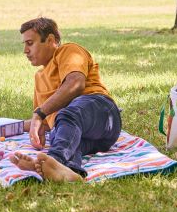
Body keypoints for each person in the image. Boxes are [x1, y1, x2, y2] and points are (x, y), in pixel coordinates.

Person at [10, 17, 121, 182]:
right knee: (62, 135)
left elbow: (76, 83)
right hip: (83, 136)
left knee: (67, 115)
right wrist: (2, 125)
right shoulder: (39, 77)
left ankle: (54, 160)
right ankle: (68, 173)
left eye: (30, 43)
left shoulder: (69, 51)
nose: (25, 50)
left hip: (100, 113)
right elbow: (46, 122)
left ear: (50, 40)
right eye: (24, 45)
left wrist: (39, 114)